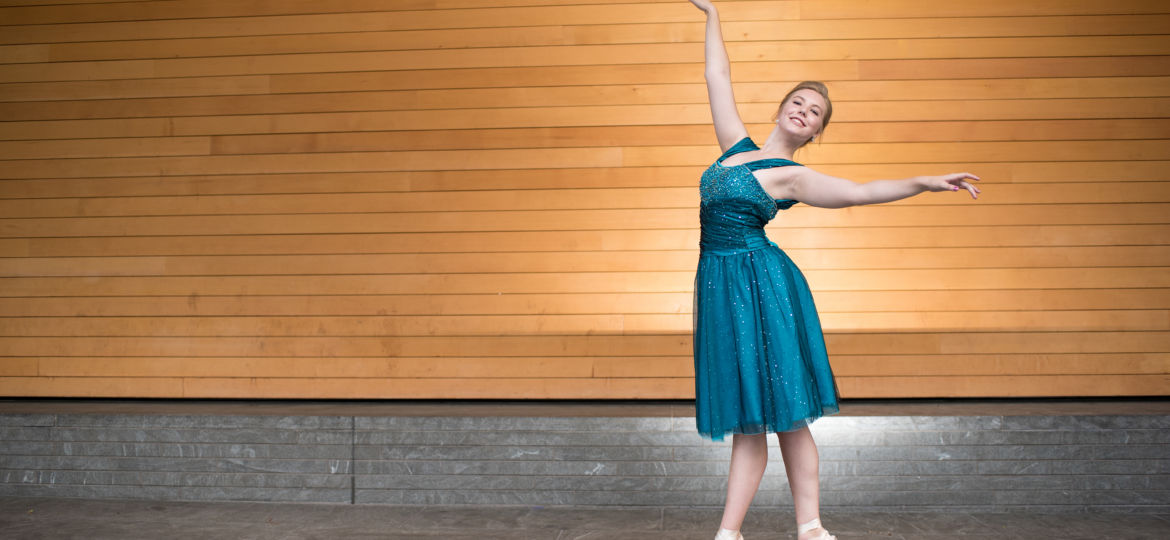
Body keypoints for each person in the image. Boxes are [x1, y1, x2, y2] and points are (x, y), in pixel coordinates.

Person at [684, 2, 981, 539]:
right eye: (797, 101)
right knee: (747, 418)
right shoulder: (735, 148)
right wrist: (712, 13)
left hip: (760, 287)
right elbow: (716, 75)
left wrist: (925, 181)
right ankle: (729, 534)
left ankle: (811, 527)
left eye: (814, 111)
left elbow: (860, 193)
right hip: (723, 288)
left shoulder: (792, 177)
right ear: (780, 109)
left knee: (786, 415)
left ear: (816, 131)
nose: (803, 110)